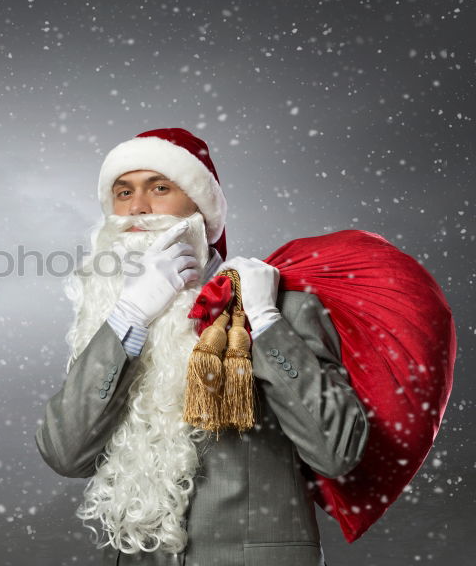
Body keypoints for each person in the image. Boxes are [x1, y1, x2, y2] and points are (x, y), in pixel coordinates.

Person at [34, 128, 370, 566]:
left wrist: (266, 322)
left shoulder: (282, 307)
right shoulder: (111, 321)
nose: (137, 208)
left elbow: (337, 452)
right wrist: (130, 314)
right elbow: (65, 453)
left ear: (201, 209)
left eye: (159, 188)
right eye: (122, 192)